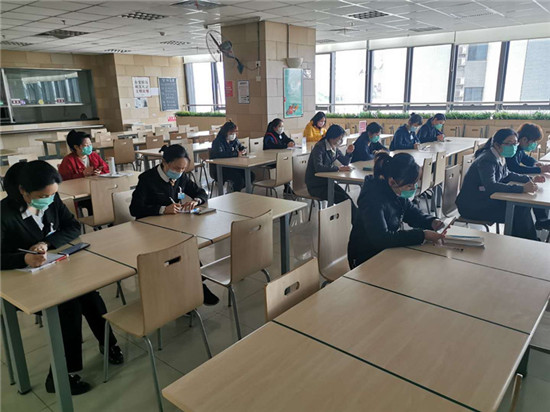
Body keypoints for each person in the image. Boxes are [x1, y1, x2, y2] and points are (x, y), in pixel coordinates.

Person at [0, 161, 123, 395]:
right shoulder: (4, 214)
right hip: (20, 283)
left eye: (52, 194)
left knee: (89, 293)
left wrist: (47, 243)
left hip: (54, 272)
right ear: (23, 190)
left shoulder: (51, 198)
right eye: (42, 196)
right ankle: (61, 375)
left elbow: (72, 227)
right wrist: (23, 258)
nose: (49, 200)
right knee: (68, 306)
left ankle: (109, 343)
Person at [130, 144, 218, 305]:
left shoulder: (181, 177)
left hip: (174, 227)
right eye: (177, 168)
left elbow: (201, 192)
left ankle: (194, 286)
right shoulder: (147, 179)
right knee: (179, 253)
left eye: (183, 169)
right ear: (165, 162)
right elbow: (135, 209)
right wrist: (162, 209)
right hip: (151, 231)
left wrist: (196, 201)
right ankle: (194, 288)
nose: (180, 172)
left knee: (186, 248)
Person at [347, 152, 445, 268]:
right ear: (392, 182)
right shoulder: (372, 199)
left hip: (385, 251)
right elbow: (381, 238)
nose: (413, 188)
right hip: (366, 258)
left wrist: (432, 222)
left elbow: (412, 213)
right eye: (409, 185)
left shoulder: (395, 190)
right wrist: (422, 235)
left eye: (415, 183)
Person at [456, 128, 542, 240]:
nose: (513, 147)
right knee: (517, 211)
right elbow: (491, 186)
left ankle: (524, 241)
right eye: (509, 143)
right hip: (472, 206)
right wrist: (522, 189)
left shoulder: (499, 155)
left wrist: (530, 179)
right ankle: (526, 241)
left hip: (485, 200)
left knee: (521, 207)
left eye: (515, 143)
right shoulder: (487, 159)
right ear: (497, 144)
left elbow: (508, 174)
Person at [506, 123, 550, 230]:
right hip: (509, 183)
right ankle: (539, 221)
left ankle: (541, 219)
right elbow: (516, 169)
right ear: (524, 139)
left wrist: (536, 163)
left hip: (515, 180)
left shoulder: (520, 148)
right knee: (532, 192)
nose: (534, 144)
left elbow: (526, 158)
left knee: (537, 189)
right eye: (533, 141)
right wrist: (540, 170)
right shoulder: (512, 148)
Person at [305, 124, 355, 208]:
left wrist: (348, 153)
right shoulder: (319, 147)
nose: (341, 141)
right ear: (332, 137)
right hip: (315, 185)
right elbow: (319, 167)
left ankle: (357, 216)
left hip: (327, 183)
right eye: (339, 138)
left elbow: (345, 162)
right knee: (343, 199)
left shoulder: (334, 147)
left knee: (347, 198)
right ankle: (356, 216)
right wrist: (338, 168)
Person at [209, 121, 254, 193]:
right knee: (239, 179)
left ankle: (234, 189)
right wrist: (236, 154)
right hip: (221, 168)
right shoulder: (217, 142)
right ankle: (234, 193)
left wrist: (243, 149)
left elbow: (240, 146)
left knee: (251, 175)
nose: (233, 134)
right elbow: (220, 155)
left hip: (233, 166)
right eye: (231, 132)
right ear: (225, 132)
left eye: (235, 132)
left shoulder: (234, 140)